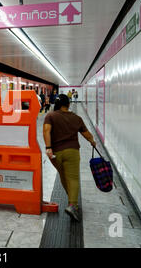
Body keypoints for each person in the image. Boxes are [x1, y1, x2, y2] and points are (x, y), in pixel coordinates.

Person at [43, 94, 96, 222]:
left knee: (63, 176)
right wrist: (92, 141)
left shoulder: (50, 115)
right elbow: (86, 134)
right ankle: (72, 205)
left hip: (55, 153)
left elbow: (46, 131)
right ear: (68, 104)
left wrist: (48, 147)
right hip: (72, 151)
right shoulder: (76, 118)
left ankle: (72, 202)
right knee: (73, 178)